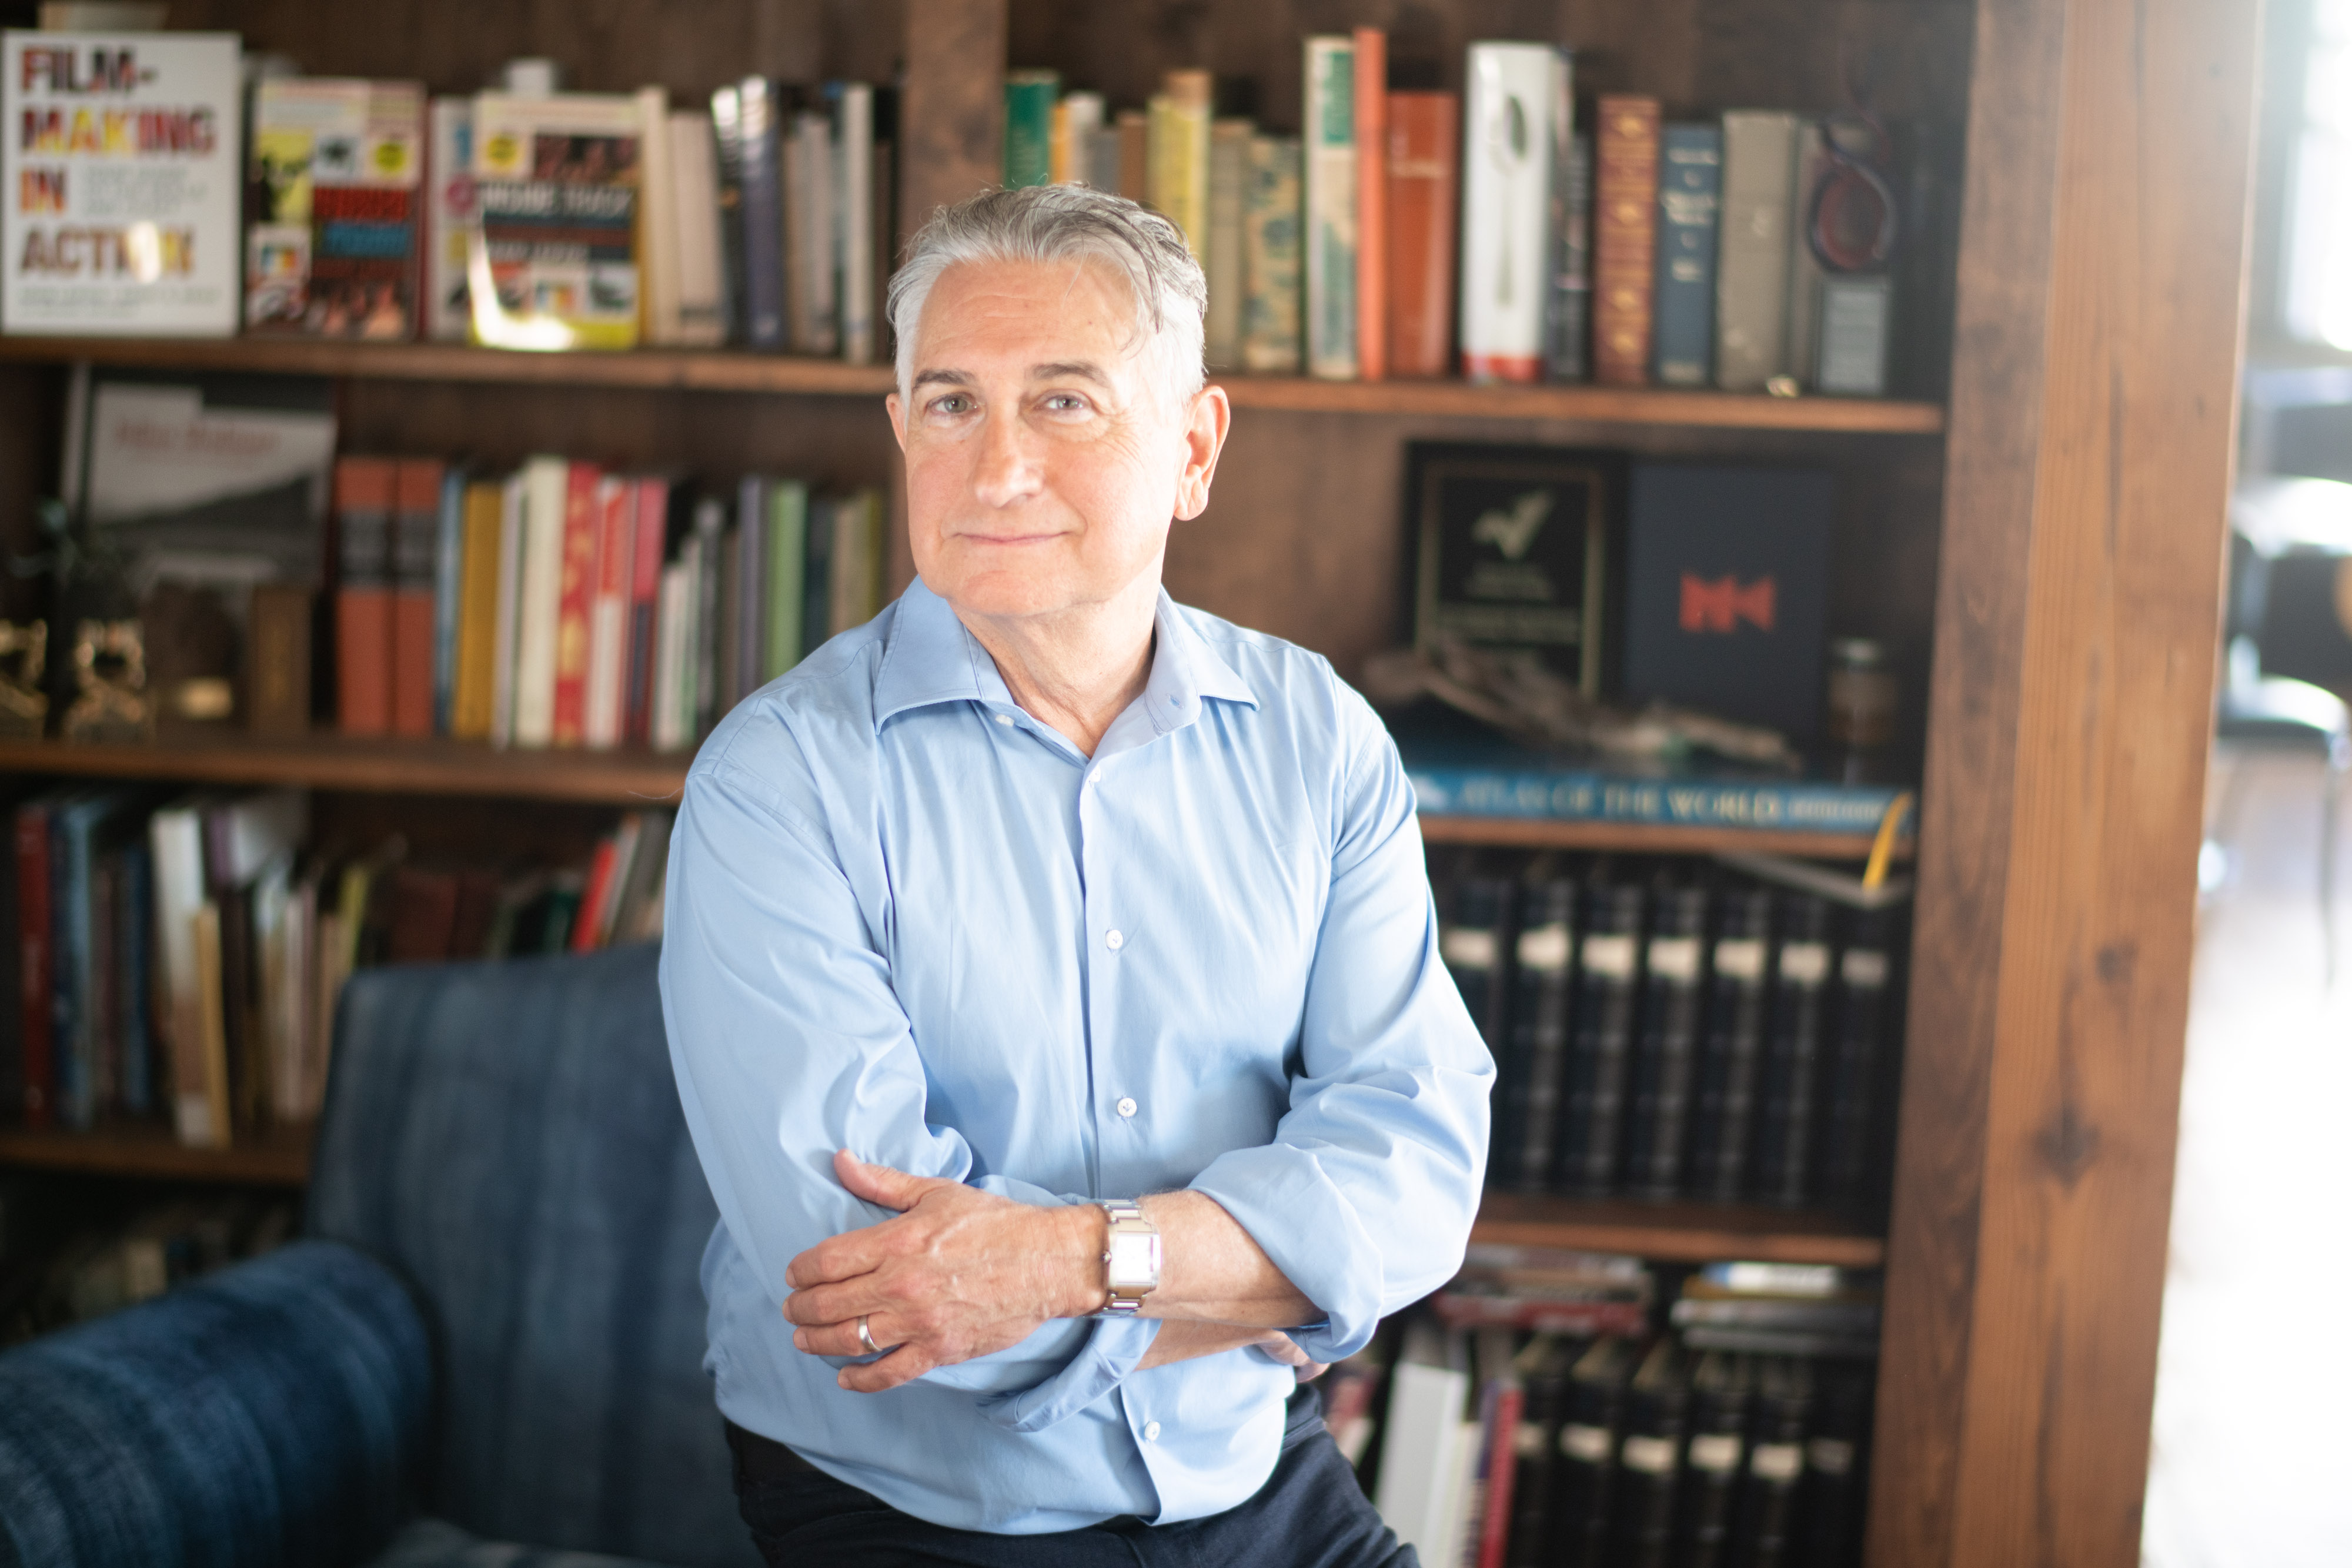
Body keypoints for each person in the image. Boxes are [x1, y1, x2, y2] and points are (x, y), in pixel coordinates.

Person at [659, 183, 1492, 1568]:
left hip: (1249, 1471)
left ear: (1192, 447)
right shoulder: (776, 781)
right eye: (950, 403)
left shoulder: (1316, 737)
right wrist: (1270, 1277)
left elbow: (1416, 1173)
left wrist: (1066, 1262)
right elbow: (879, 1290)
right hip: (922, 1505)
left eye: (1062, 400)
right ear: (900, 431)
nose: (995, 469)